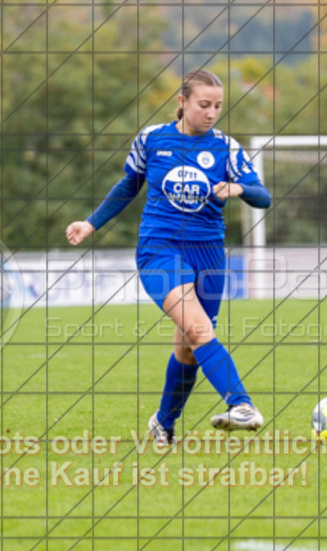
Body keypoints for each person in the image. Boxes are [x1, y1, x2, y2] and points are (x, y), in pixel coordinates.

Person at [66, 69, 272, 446]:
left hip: (208, 253)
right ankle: (242, 405)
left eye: (218, 106)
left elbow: (263, 196)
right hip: (159, 248)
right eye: (204, 105)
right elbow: (129, 184)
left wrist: (238, 186)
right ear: (182, 102)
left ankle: (163, 423)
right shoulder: (151, 140)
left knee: (189, 349)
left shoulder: (226, 147)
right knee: (198, 329)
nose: (212, 113)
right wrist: (91, 223)